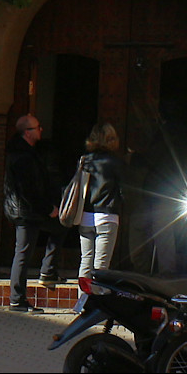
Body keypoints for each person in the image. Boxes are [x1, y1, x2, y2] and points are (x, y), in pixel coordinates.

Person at [3, 112, 62, 311]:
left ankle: (47, 272)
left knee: (58, 229)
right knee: (22, 253)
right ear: (27, 132)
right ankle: (17, 298)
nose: (41, 130)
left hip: (28, 211)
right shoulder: (23, 157)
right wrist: (48, 208)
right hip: (26, 213)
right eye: (37, 127)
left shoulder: (25, 153)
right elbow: (28, 190)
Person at [74, 121, 126, 306]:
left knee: (85, 261)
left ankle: (83, 302)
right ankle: (98, 305)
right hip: (107, 216)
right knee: (101, 266)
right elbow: (124, 191)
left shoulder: (85, 160)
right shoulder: (116, 162)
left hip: (85, 216)